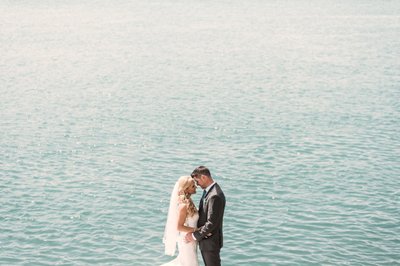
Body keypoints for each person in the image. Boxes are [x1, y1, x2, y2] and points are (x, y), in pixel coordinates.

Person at [185, 166, 226, 266]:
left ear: (204, 177)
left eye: (197, 181)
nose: (197, 184)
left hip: (210, 243)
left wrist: (194, 235)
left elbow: (211, 223)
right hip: (206, 240)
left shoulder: (214, 195)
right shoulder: (209, 191)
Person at [162, 176, 199, 266]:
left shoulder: (189, 201)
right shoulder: (183, 205)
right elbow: (179, 227)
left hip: (192, 240)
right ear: (186, 189)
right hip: (186, 241)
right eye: (193, 186)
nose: (196, 187)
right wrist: (197, 230)